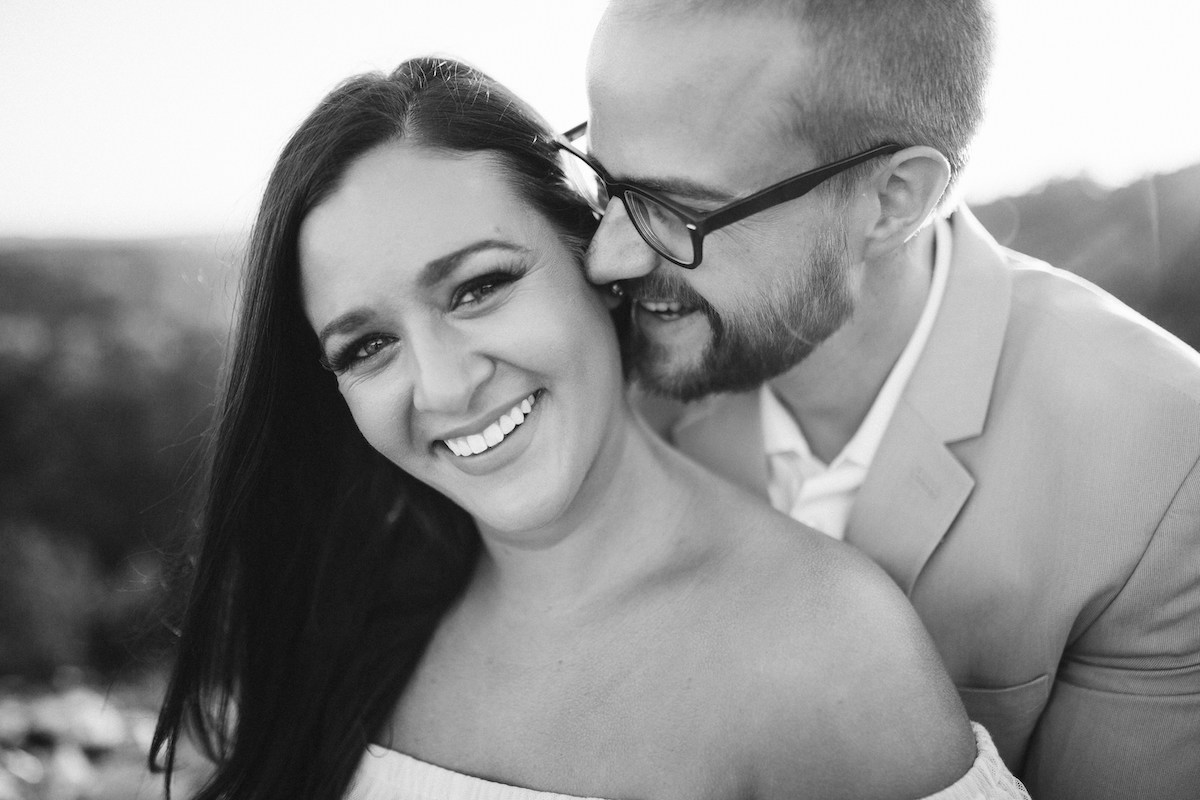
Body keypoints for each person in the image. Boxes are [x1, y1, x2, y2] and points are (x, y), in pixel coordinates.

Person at [149, 57, 1032, 800]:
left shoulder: (831, 649)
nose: (446, 387)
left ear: (595, 258)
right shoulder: (350, 601)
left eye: (478, 287)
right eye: (369, 345)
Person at [570, 1, 1200, 798]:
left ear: (894, 200)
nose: (605, 259)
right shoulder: (601, 374)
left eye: (680, 209)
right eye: (603, 180)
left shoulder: (1164, 462)